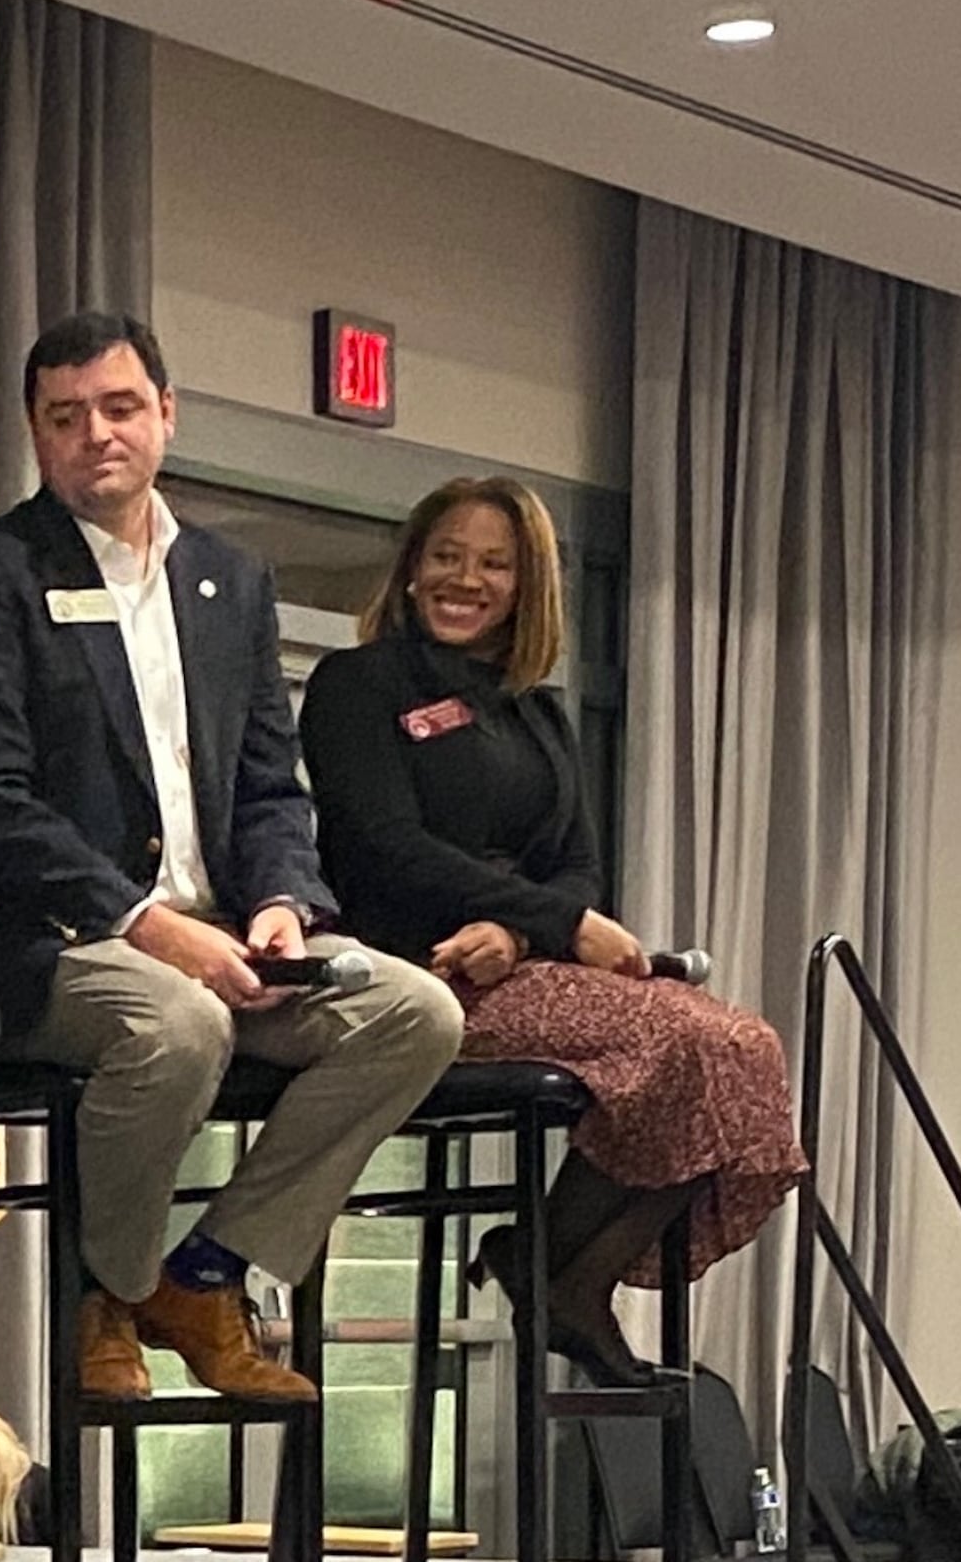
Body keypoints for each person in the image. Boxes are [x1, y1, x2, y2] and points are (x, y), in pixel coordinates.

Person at [0, 310, 462, 1403]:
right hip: (51, 939)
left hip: (223, 930)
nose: (95, 436)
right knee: (180, 1020)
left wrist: (281, 905)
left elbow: (268, 782)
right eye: (65, 418)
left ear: (167, 414)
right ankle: (102, 1295)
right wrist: (149, 927)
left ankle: (203, 1275)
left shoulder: (232, 580)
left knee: (417, 1014)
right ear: (35, 431)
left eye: (119, 408)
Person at [299, 476, 803, 1387]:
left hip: (513, 964)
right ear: (412, 567)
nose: (466, 579)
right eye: (447, 556)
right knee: (695, 1040)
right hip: (414, 973)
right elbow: (382, 849)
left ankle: (563, 1267)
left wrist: (521, 932)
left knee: (746, 1049)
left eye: (494, 563)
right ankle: (561, 1277)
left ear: (528, 585)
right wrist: (558, 924)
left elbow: (577, 863)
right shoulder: (357, 684)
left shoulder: (537, 708)